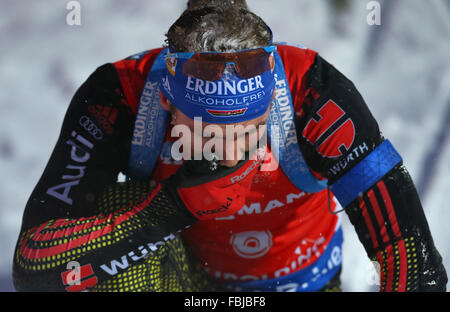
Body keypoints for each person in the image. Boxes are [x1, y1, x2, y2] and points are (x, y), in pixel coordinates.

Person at [13, 0, 447, 292]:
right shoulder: (123, 96)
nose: (228, 146)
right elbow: (35, 265)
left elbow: (411, 254)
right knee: (113, 216)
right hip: (190, 286)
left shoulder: (312, 93)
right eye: (205, 127)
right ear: (166, 97)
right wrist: (168, 208)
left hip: (305, 284)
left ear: (272, 93)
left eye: (249, 127)